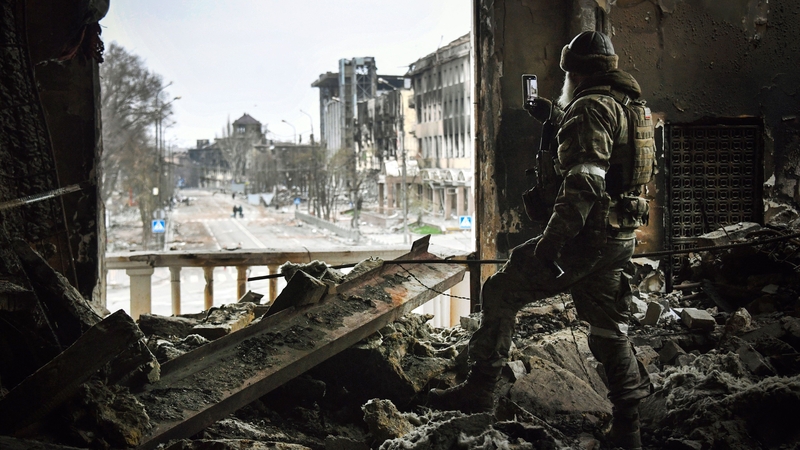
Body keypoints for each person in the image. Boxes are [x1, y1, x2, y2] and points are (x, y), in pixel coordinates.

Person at [429, 31, 652, 449]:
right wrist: (555, 116)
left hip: (584, 240)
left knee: (500, 291)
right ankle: (629, 428)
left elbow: (584, 183)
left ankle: (479, 391)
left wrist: (551, 245)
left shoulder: (589, 108)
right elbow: (610, 159)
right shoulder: (630, 105)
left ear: (575, 73)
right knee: (608, 328)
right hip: (619, 236)